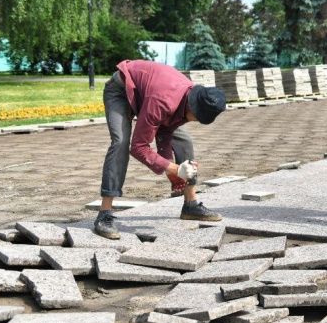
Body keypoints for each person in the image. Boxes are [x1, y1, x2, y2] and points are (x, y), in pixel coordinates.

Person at [94, 60, 227, 239]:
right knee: (121, 143)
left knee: (184, 141)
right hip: (120, 90)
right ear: (192, 107)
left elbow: (165, 130)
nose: (194, 120)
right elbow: (139, 147)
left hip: (150, 96)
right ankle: (104, 214)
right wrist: (173, 168)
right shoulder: (163, 101)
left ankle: (190, 204)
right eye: (196, 118)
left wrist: (172, 171)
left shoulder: (191, 97)